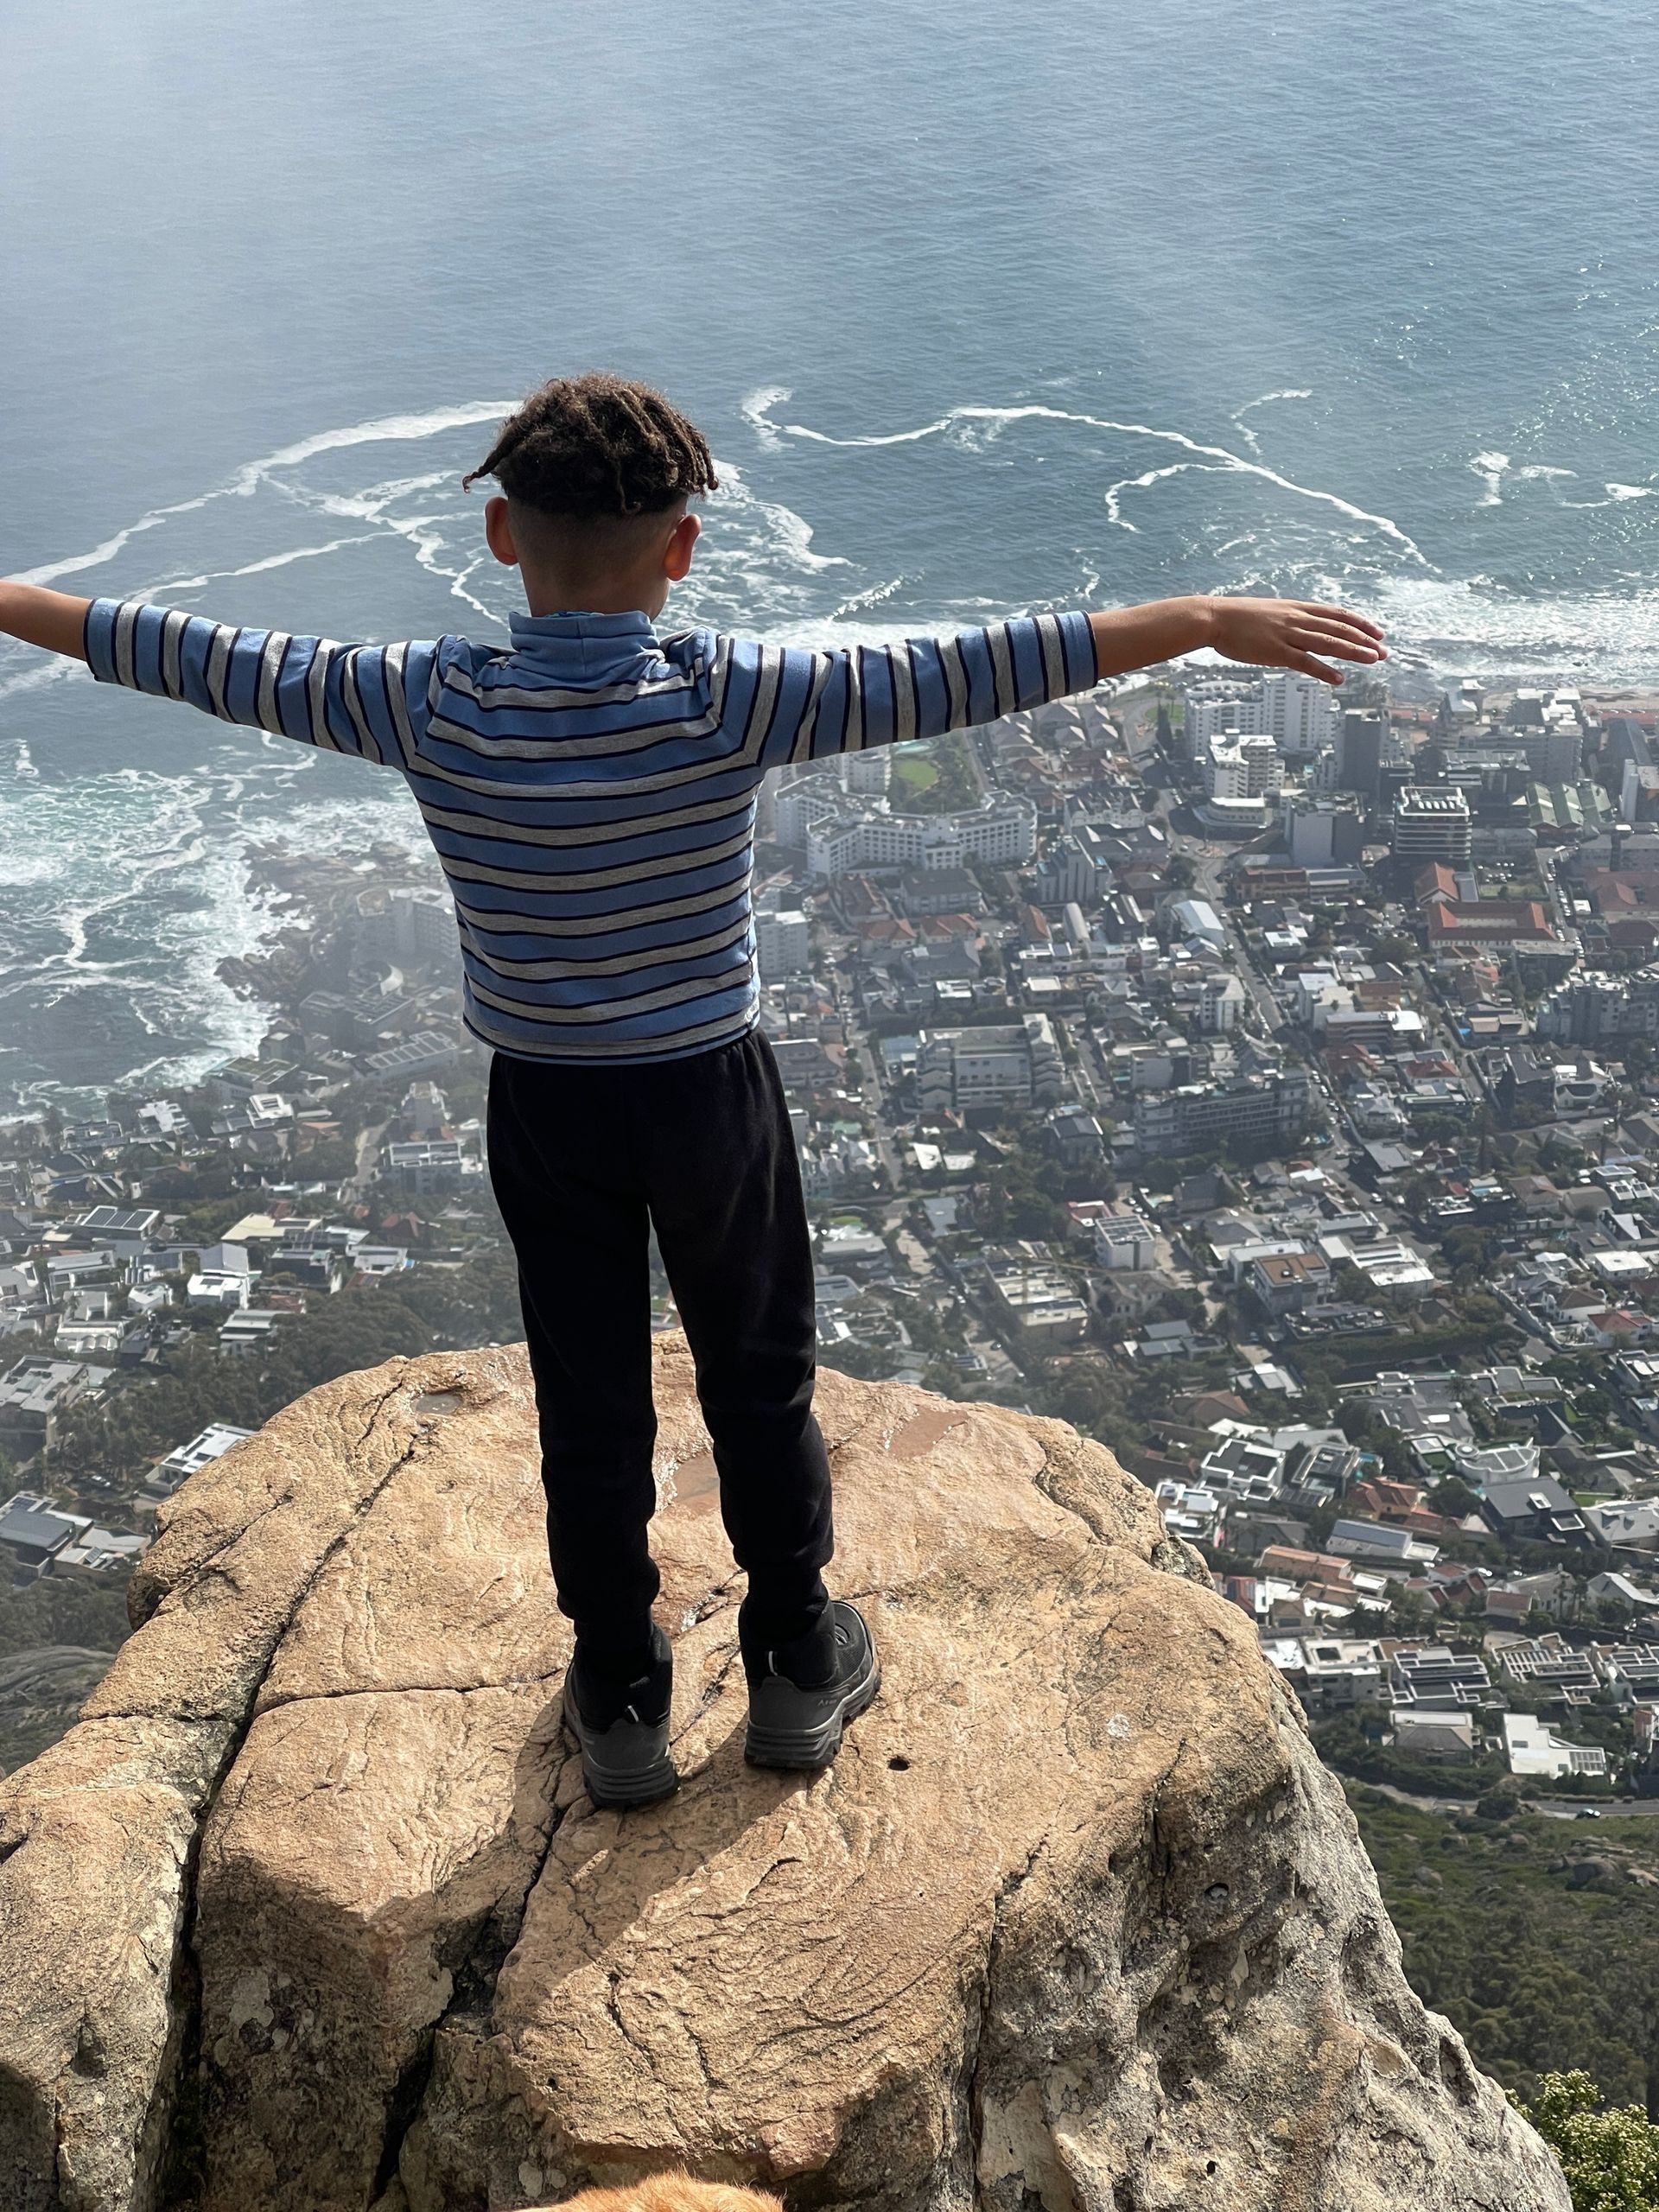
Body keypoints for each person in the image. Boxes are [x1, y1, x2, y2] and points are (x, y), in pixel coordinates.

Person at [0, 372, 1385, 1808]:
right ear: (682, 549)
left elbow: (161, 648)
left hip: (545, 1099)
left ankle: (617, 1685)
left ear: (498, 537)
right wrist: (1207, 621)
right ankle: (792, 1653)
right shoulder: (730, 696)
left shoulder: (420, 702)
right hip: (707, 1094)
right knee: (757, 1371)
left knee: (586, 1397)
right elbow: (990, 663)